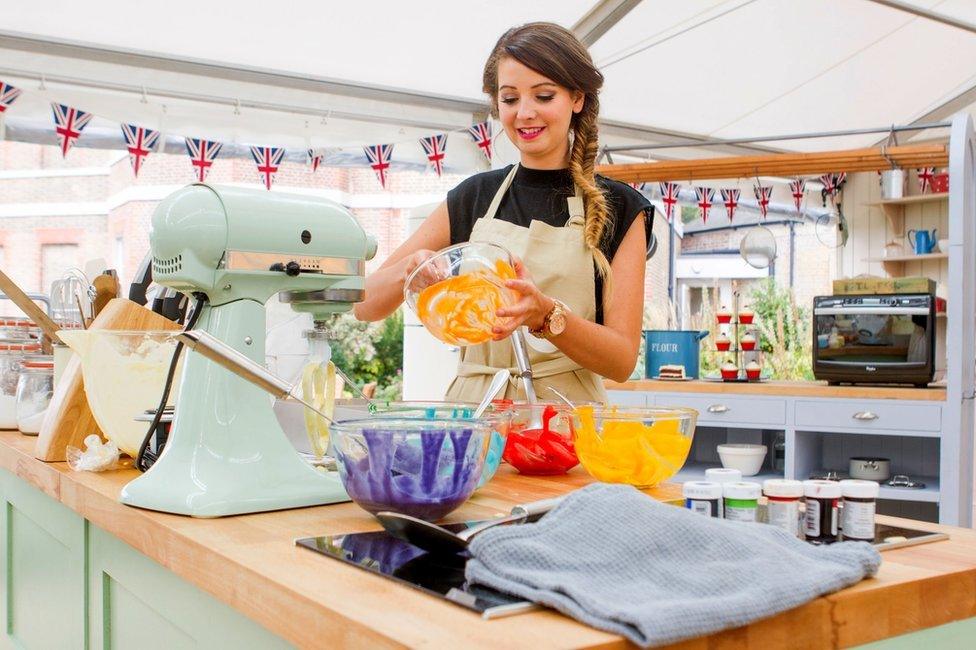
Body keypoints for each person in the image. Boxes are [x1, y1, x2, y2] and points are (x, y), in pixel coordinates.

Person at [354, 22, 653, 403]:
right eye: (510, 99)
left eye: (544, 96)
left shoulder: (620, 207)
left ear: (577, 98)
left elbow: (621, 361)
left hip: (565, 424)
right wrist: (411, 269)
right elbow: (364, 305)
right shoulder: (473, 196)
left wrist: (546, 316)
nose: (525, 113)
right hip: (476, 418)